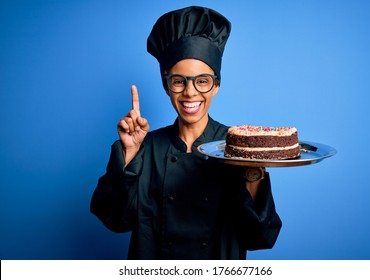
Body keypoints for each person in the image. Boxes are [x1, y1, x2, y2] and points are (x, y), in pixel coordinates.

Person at [90, 6, 282, 260]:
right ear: (167, 87)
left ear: (216, 86)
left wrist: (254, 172)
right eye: (179, 81)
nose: (190, 92)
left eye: (202, 81)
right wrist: (129, 152)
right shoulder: (146, 147)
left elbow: (260, 237)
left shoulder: (237, 147)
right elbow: (116, 220)